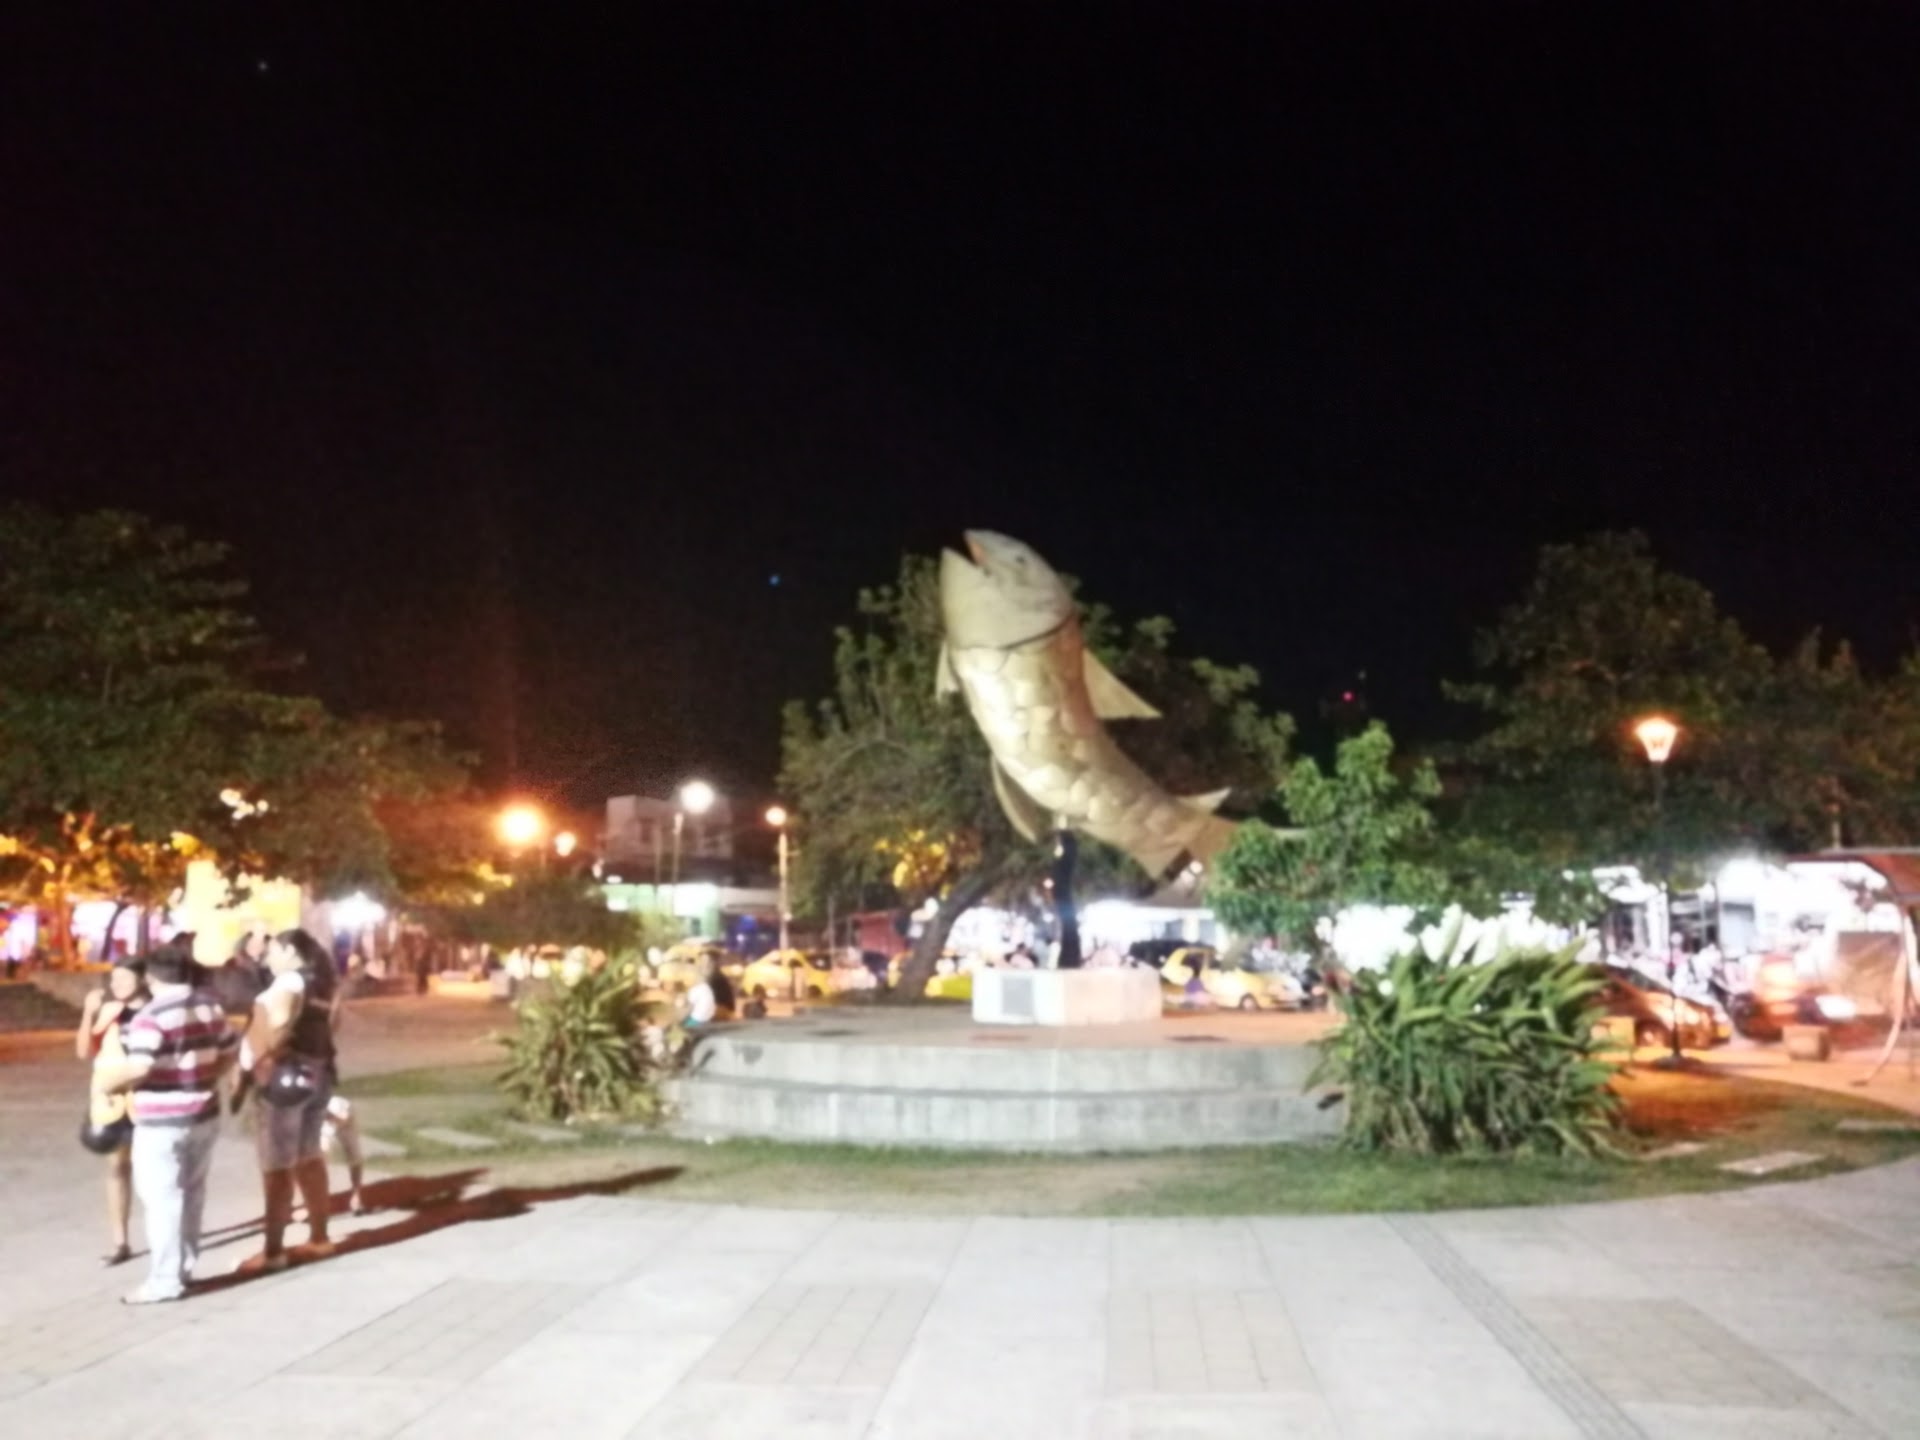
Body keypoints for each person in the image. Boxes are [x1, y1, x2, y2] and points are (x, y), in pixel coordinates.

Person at [94, 936, 238, 1304]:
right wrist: (206, 1077)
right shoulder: (209, 1006)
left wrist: (109, 1084)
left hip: (162, 1120)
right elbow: (230, 1050)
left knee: (163, 1201)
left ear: (152, 977)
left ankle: (164, 1281)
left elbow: (140, 1068)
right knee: (193, 1194)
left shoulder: (151, 1016)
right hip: (203, 1113)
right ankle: (183, 1268)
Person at [240, 928, 340, 1274]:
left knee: (277, 1167)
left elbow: (281, 1023)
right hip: (318, 1074)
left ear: (290, 952)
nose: (268, 956)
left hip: (283, 1082)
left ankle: (273, 1252)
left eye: (273, 950)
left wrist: (261, 1059)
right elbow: (333, 1025)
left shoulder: (288, 982)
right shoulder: (322, 984)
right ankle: (320, 1238)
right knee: (309, 1157)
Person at [76, 954, 149, 1266]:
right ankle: (121, 1241)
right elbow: (83, 1051)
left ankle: (167, 1234)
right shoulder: (110, 1011)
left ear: (143, 979)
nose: (117, 985)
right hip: (113, 1103)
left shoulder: (154, 1011)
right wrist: (88, 1013)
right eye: (114, 979)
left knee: (154, 1171)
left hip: (148, 1100)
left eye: (125, 978)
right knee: (117, 1167)